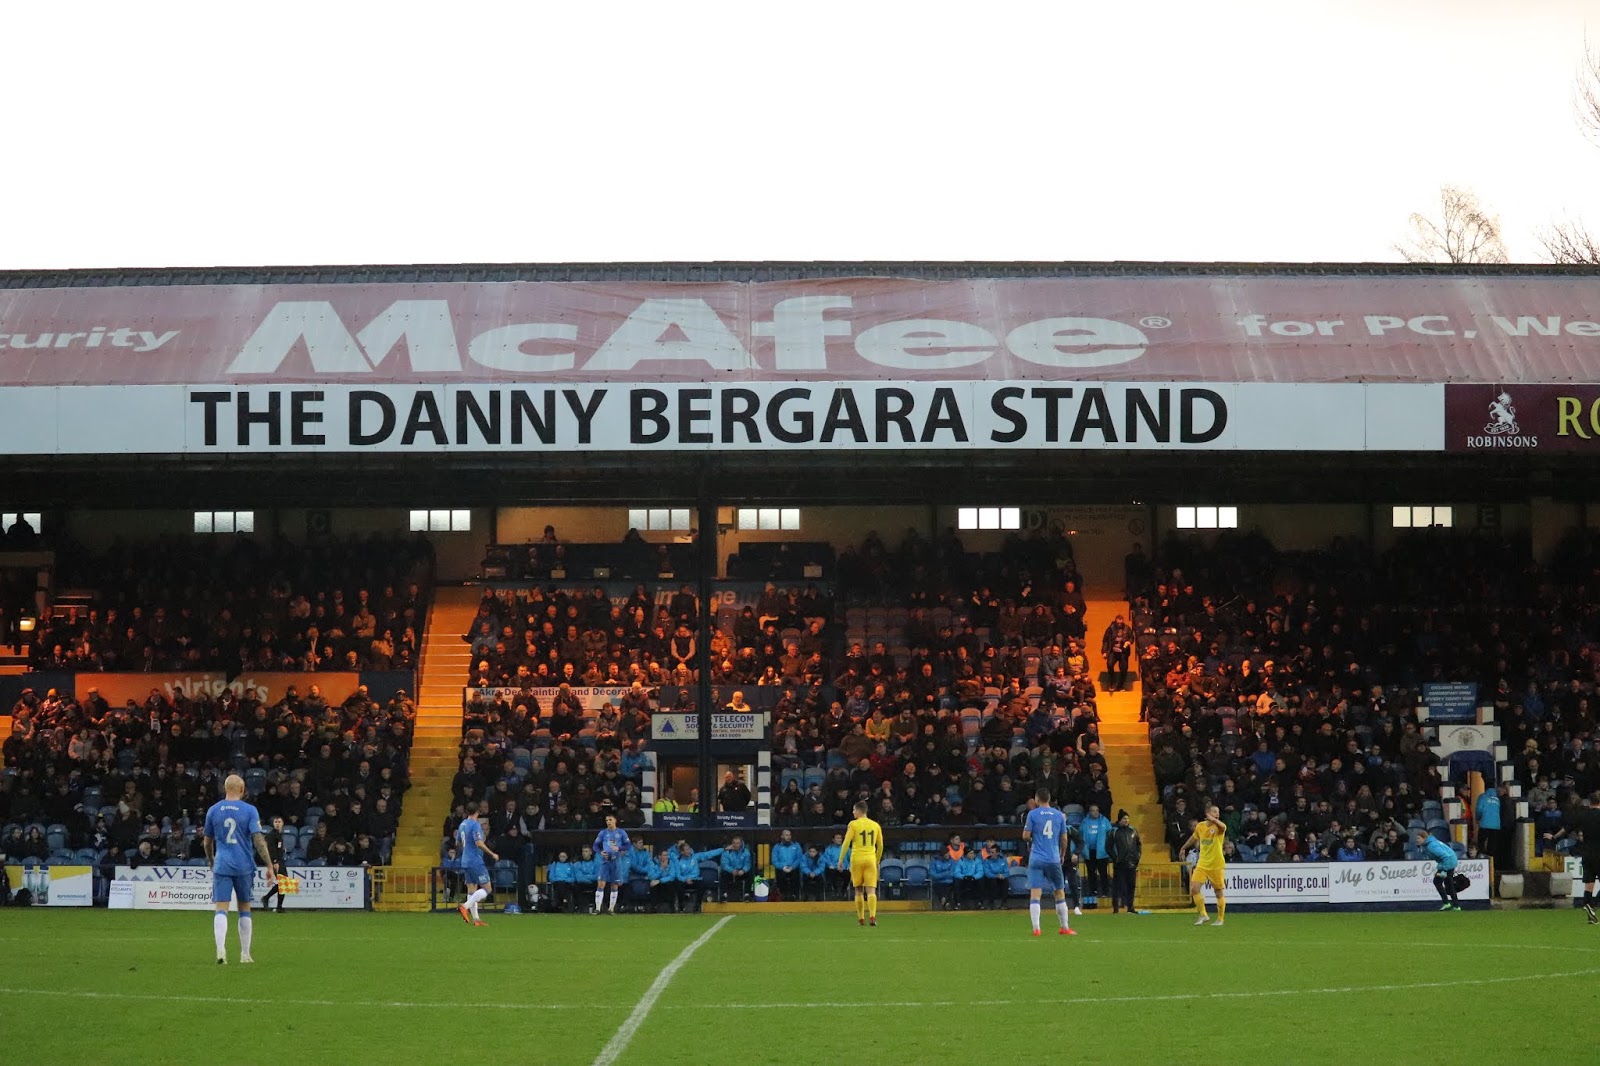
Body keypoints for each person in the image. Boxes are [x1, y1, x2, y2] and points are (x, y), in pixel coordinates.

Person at [202, 773, 275, 964]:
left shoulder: (213, 810)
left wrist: (211, 860)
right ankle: (245, 954)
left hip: (222, 864)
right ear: (242, 790)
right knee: (244, 908)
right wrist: (269, 865)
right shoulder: (250, 810)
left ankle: (220, 950)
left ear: (225, 789)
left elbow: (207, 842)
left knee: (221, 908)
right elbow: (258, 840)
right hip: (243, 865)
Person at [1021, 788, 1075, 937]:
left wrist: (1033, 839)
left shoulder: (1032, 814)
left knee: (1035, 894)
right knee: (1059, 893)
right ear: (1049, 799)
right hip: (1053, 858)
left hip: (1036, 858)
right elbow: (1064, 839)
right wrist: (1062, 854)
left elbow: (1025, 836)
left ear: (1037, 799)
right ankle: (1064, 927)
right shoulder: (1059, 815)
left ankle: (1036, 928)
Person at [839, 800, 885, 926]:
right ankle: (872, 917)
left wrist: (841, 859)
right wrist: (877, 860)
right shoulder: (875, 825)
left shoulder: (853, 824)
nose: (853, 812)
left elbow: (846, 842)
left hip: (857, 859)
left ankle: (861, 919)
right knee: (871, 890)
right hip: (870, 858)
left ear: (859, 811)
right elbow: (880, 846)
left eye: (854, 810)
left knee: (858, 890)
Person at [1180, 803, 1227, 926]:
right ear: (1208, 813)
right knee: (1194, 889)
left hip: (1216, 864)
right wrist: (1184, 847)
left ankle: (1220, 919)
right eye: (1215, 812)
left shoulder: (1218, 827)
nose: (1218, 814)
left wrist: (1215, 820)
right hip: (1202, 864)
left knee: (1218, 892)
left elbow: (1223, 827)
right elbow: (1194, 838)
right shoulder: (1200, 826)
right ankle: (1203, 914)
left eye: (1218, 812)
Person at [455, 801, 499, 926]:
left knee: (471, 890)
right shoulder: (475, 825)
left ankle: (476, 920)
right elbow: (478, 843)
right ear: (478, 812)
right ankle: (464, 906)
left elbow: (458, 843)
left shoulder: (462, 824)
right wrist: (492, 854)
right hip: (475, 860)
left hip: (465, 860)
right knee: (487, 888)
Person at [1565, 792, 1600, 924]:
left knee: (1589, 883)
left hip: (1587, 853)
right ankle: (1594, 903)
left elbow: (1568, 827)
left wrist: (1554, 837)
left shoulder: (1584, 815)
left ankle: (1589, 905)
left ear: (1589, 802)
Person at [593, 813, 632, 915]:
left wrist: (619, 848)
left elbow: (628, 845)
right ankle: (597, 908)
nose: (608, 822)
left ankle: (611, 909)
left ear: (615, 821)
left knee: (614, 885)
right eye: (606, 820)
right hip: (605, 861)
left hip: (616, 860)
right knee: (601, 883)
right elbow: (595, 845)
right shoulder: (603, 833)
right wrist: (601, 852)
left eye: (610, 820)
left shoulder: (621, 833)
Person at [1415, 829, 1462, 911]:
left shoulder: (1431, 846)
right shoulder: (1431, 843)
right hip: (1451, 861)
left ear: (1424, 838)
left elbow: (1445, 856)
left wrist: (1443, 869)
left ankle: (1446, 903)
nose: (1417, 840)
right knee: (1449, 884)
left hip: (1448, 862)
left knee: (1437, 881)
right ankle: (1456, 905)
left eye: (1419, 838)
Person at [1107, 808, 1142, 913]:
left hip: (1132, 864)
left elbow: (1138, 845)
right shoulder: (1113, 832)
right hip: (1119, 864)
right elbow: (1108, 847)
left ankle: (1130, 907)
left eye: (1127, 818)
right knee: (1117, 887)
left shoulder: (1133, 831)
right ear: (1119, 820)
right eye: (1124, 818)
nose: (1126, 820)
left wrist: (1137, 857)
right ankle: (1116, 908)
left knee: (1131, 886)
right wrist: (1115, 858)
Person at [1080, 804, 1112, 902]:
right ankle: (1093, 891)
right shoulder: (1085, 822)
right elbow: (1080, 835)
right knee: (1091, 873)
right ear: (1089, 811)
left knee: (1103, 873)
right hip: (1089, 852)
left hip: (1102, 852)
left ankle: (1105, 892)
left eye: (1096, 810)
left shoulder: (1104, 821)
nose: (1095, 812)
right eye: (1093, 810)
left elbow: (1110, 835)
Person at [258, 814, 289, 914]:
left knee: (284, 883)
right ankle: (269, 900)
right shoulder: (272, 835)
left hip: (281, 860)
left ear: (282, 823)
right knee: (283, 882)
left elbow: (277, 848)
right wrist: (274, 861)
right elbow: (271, 849)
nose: (277, 824)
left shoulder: (279, 835)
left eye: (279, 822)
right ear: (273, 824)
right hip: (276, 861)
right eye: (276, 822)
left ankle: (276, 904)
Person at [771, 829, 803, 901]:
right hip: (782, 869)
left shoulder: (796, 845)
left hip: (793, 868)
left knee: (796, 874)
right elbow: (774, 861)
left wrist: (792, 867)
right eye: (786, 835)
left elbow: (799, 858)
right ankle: (782, 895)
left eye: (790, 835)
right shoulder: (777, 847)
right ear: (782, 836)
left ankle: (794, 895)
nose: (788, 837)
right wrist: (782, 867)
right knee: (780, 875)